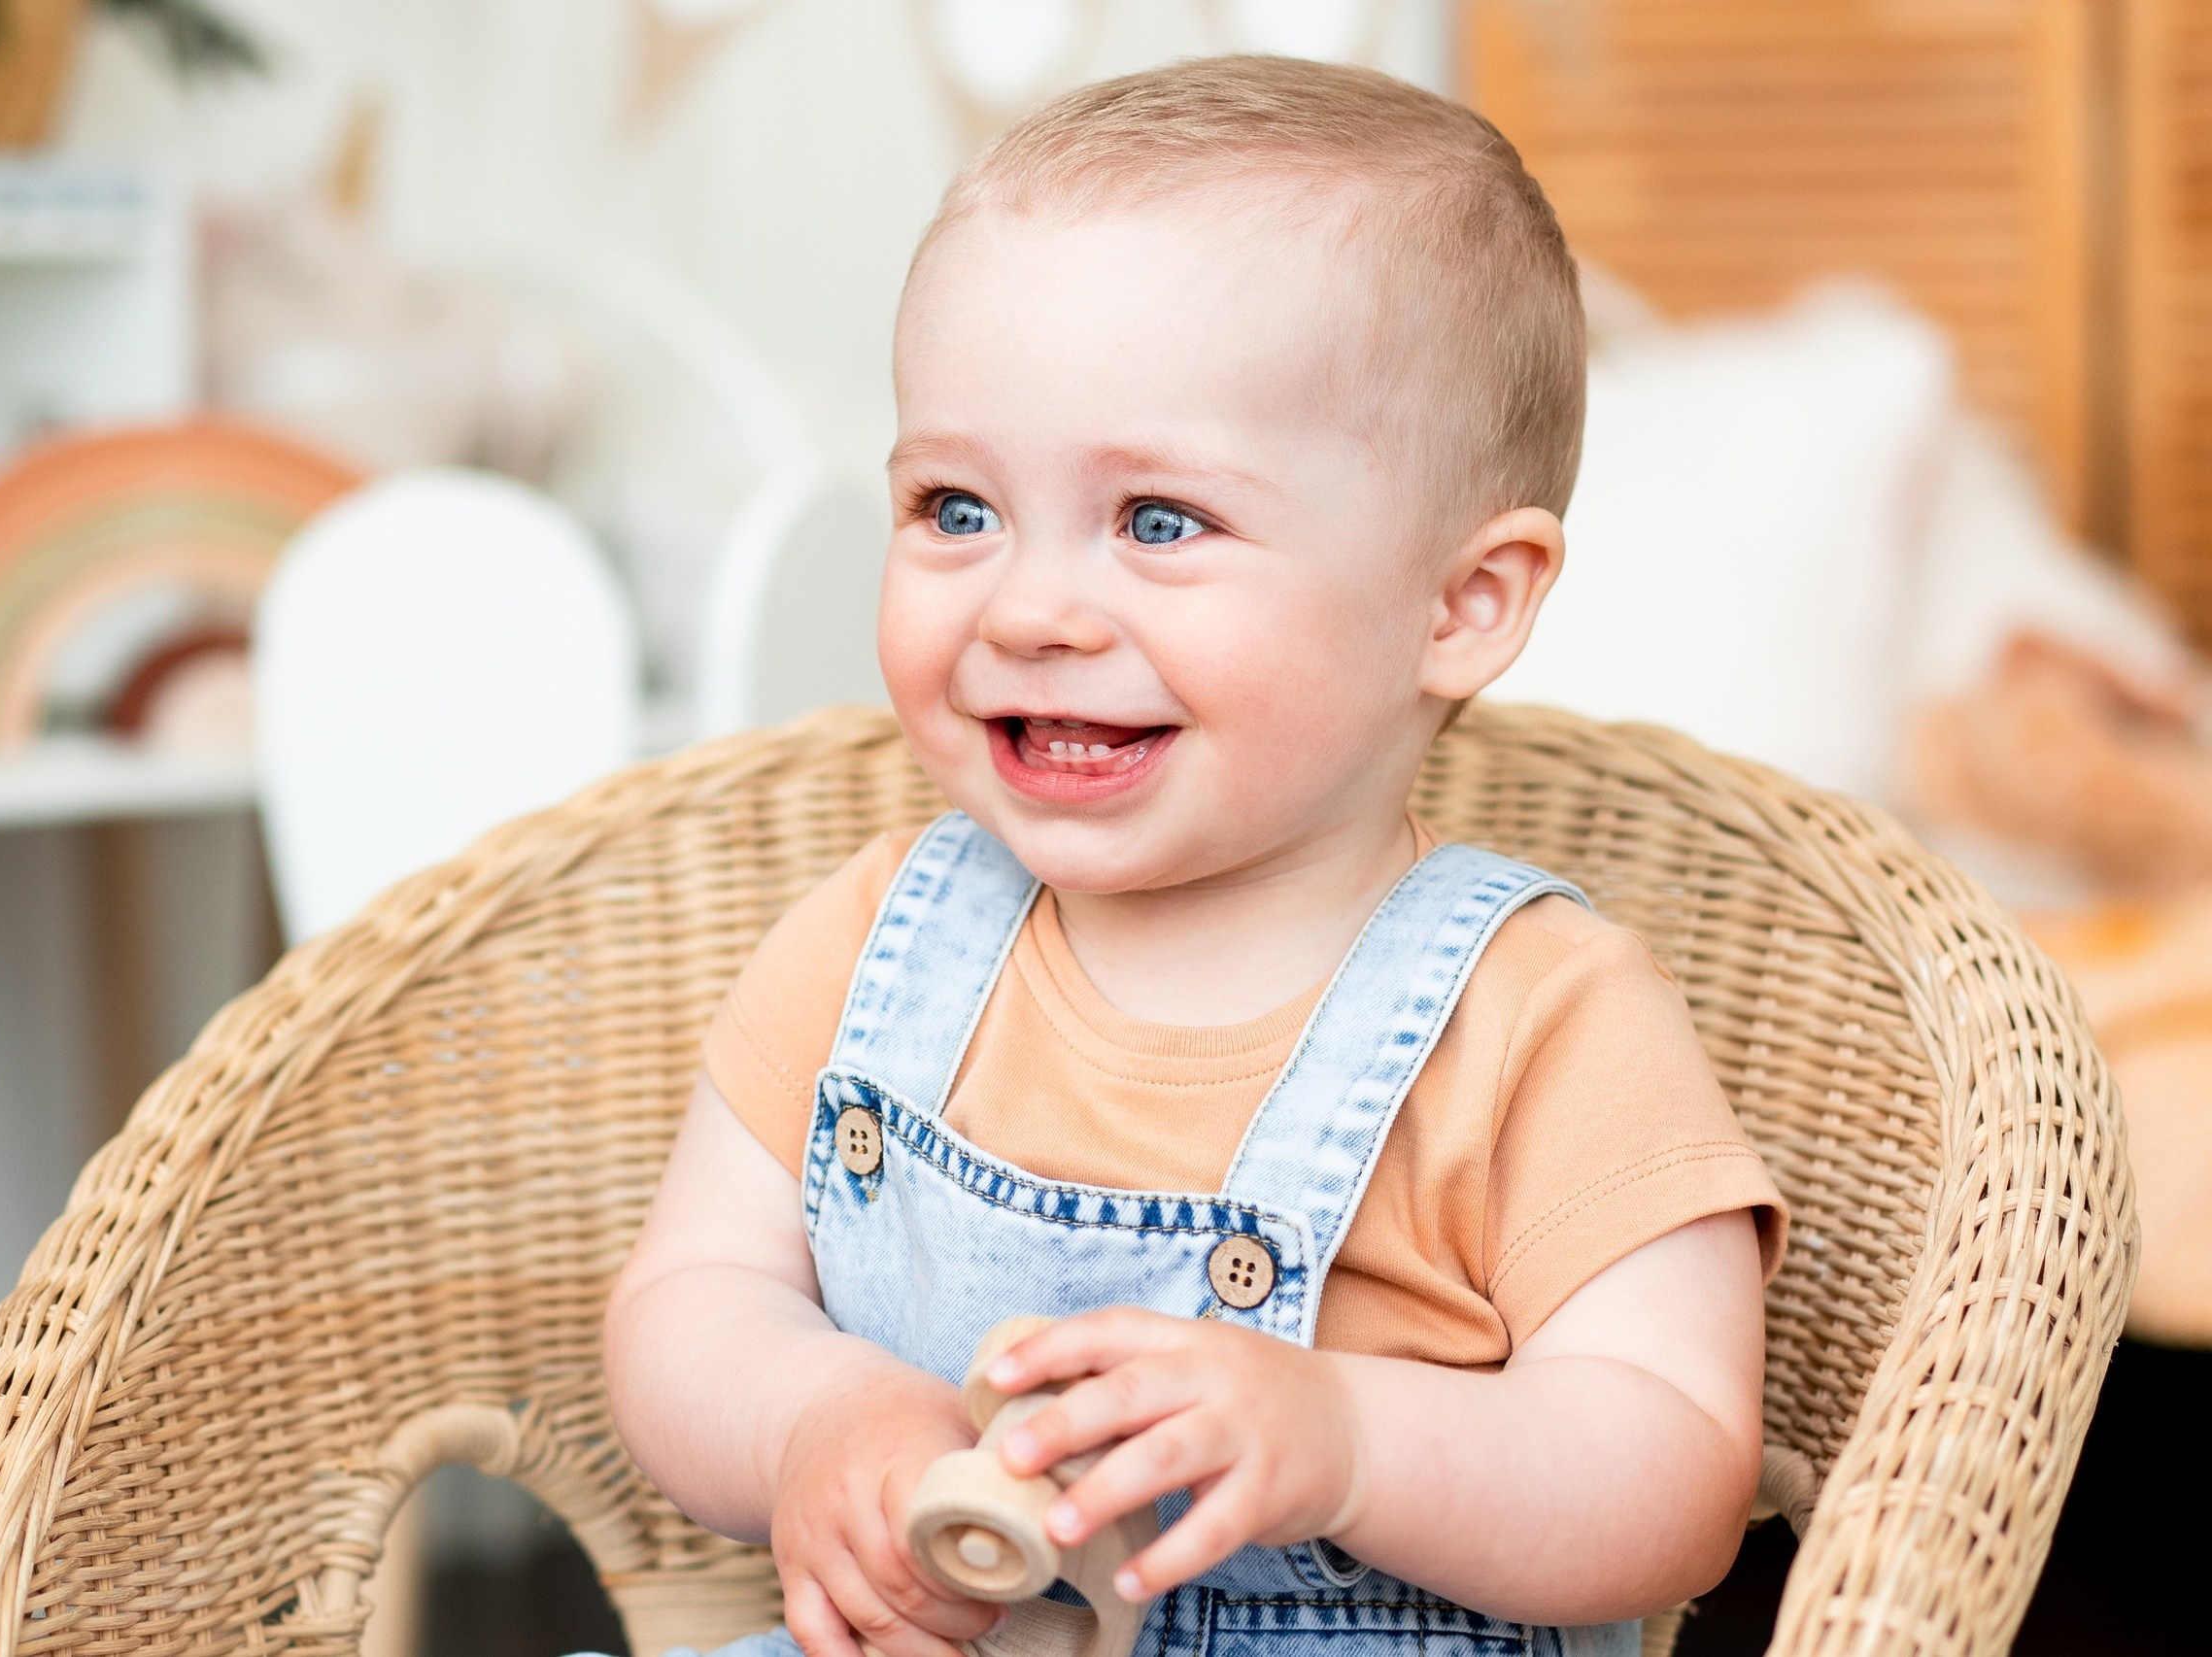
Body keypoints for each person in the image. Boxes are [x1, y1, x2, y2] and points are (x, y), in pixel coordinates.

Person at [604, 55, 1787, 1657]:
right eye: (955, 506)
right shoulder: (878, 944)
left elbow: (1671, 1468)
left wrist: (1352, 1440)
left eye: (1159, 520)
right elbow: (687, 1304)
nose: (1026, 607)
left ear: (1462, 605)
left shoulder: (1538, 1021)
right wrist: (818, 1415)